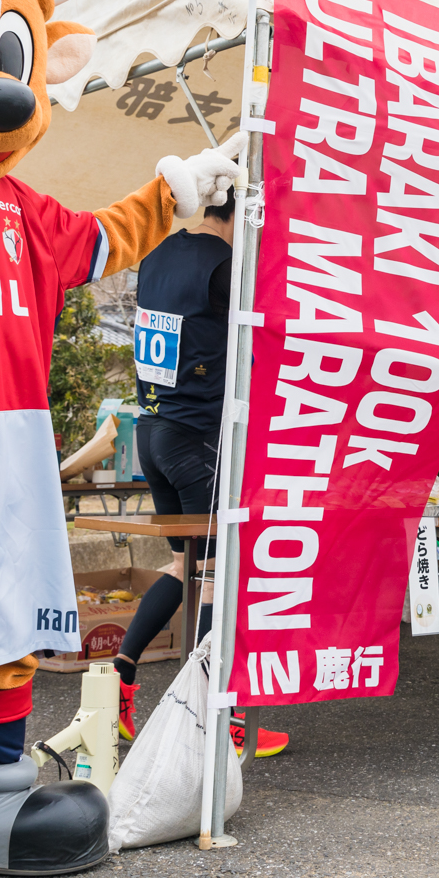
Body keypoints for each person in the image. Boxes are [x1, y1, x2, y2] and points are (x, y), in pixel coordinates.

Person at [112, 188, 288, 759]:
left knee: (183, 563)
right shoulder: (227, 268)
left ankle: (123, 675)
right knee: (215, 576)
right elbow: (265, 344)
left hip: (153, 432)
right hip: (198, 440)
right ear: (241, 212)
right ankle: (222, 721)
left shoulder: (158, 253)